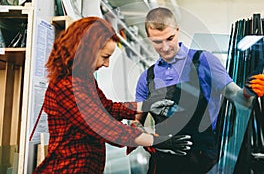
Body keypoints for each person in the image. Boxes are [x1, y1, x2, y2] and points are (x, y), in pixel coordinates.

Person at [33, 17, 192, 174]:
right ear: (86, 51)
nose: (107, 64)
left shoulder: (84, 80)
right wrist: (156, 141)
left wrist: (146, 105)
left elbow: (107, 108)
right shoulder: (66, 87)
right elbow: (106, 128)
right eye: (105, 57)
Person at [135, 7, 264, 174]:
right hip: (164, 165)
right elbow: (135, 124)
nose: (166, 47)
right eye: (157, 42)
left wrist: (250, 91)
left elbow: (238, 97)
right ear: (149, 38)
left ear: (177, 30)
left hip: (203, 164)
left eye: (170, 38)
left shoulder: (204, 61)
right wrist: (153, 142)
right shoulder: (147, 78)